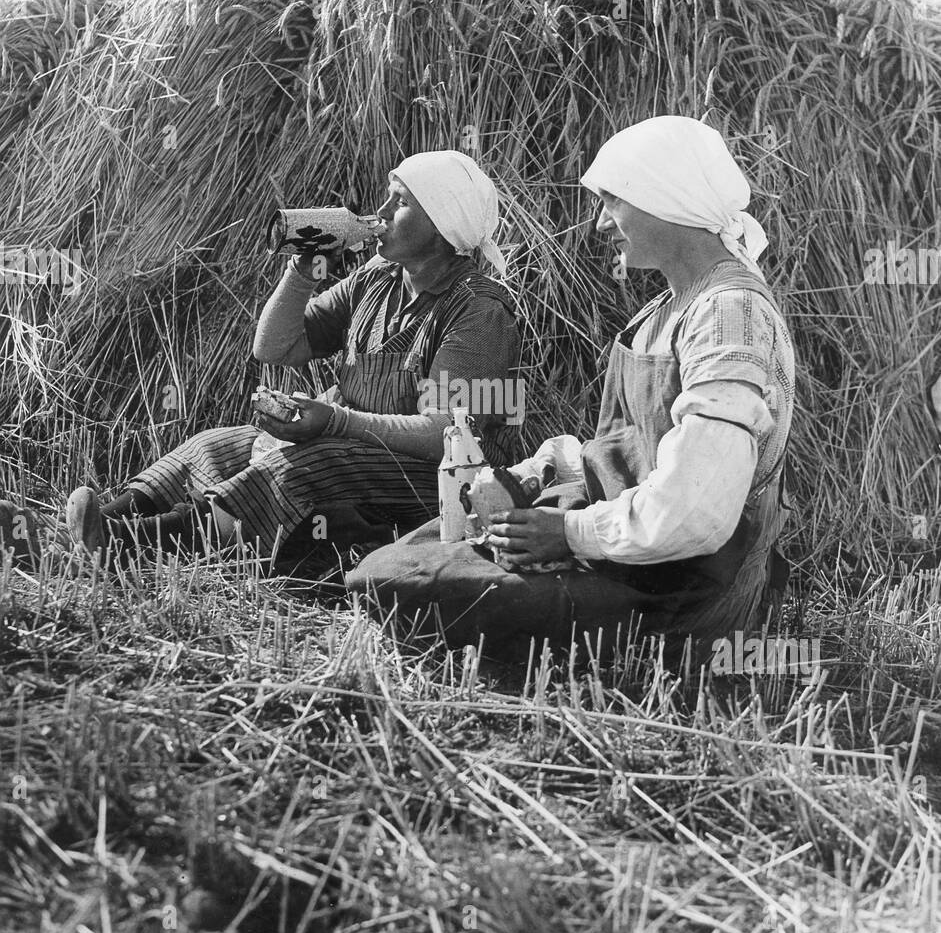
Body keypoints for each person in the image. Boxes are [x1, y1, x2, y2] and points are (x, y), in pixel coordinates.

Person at [346, 116, 796, 671]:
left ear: (666, 198)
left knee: (396, 583)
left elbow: (696, 512)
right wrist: (543, 468)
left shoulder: (730, 314)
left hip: (681, 583)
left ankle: (635, 650)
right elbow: (629, 446)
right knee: (410, 555)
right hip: (625, 541)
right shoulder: (666, 308)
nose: (602, 223)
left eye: (613, 201)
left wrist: (570, 532)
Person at [54, 151, 521, 569]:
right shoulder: (379, 278)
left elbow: (449, 432)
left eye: (399, 204)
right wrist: (301, 270)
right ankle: (86, 531)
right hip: (360, 448)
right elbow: (276, 347)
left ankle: (129, 545)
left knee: (308, 465)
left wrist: (336, 421)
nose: (378, 214)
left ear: (441, 225)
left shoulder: (479, 308)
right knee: (218, 445)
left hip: (443, 479)